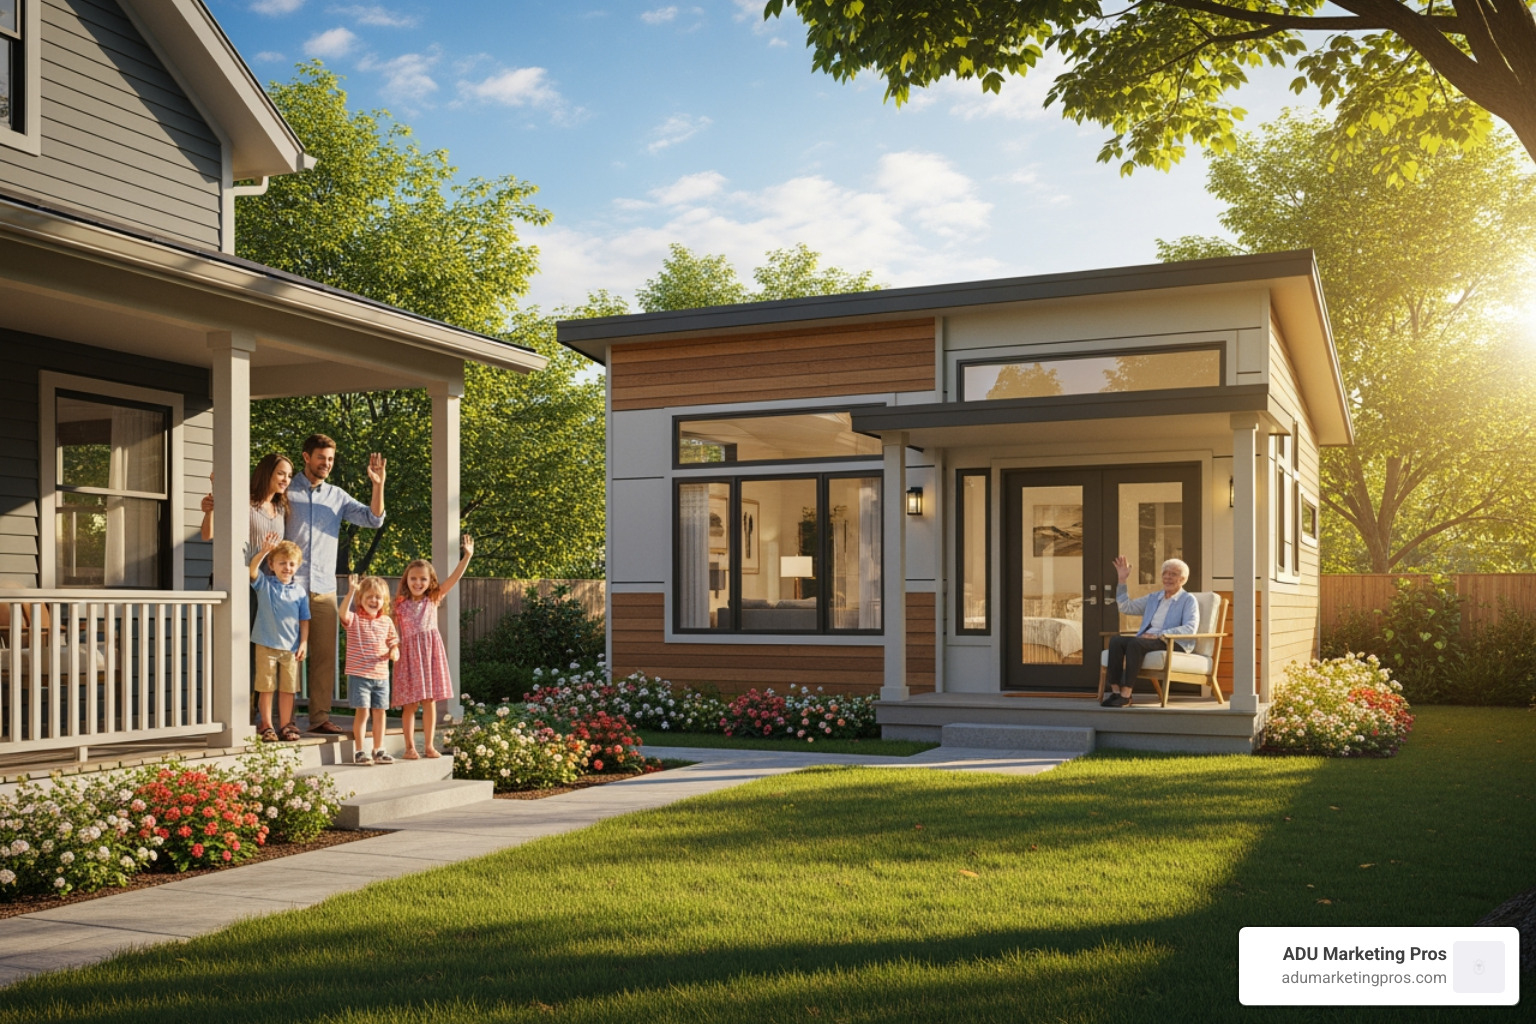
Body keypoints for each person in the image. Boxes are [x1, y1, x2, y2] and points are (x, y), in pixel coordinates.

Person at [286, 434, 386, 734]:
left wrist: (378, 485)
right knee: (286, 654)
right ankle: (284, 719)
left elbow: (373, 519)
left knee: (324, 657)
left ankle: (319, 717)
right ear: (306, 457)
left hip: (323, 588)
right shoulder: (286, 490)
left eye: (330, 459)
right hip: (287, 587)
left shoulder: (337, 496)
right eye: (321, 458)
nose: (326, 464)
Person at [393, 536, 473, 759]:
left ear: (430, 582)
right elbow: (390, 627)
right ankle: (410, 747)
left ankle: (429, 746)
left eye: (423, 579)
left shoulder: (433, 598)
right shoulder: (399, 604)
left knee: (429, 701)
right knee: (409, 704)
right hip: (408, 656)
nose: (418, 583)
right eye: (413, 578)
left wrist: (467, 556)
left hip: (429, 655)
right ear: (406, 580)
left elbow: (454, 579)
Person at [1101, 556, 1199, 708]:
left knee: (1135, 643)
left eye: (1173, 574)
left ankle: (1126, 695)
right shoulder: (1154, 597)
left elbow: (1190, 628)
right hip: (1147, 640)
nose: (1167, 577)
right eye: (1165, 573)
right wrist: (1122, 580)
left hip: (1171, 641)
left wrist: (1159, 634)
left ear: (1183, 579)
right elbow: (1126, 607)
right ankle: (1115, 692)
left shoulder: (1188, 600)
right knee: (1116, 641)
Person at [249, 532, 310, 742]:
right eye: (282, 563)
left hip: (291, 649)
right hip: (266, 645)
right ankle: (266, 725)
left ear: (298, 566)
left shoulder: (300, 592)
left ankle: (286, 725)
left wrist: (303, 642)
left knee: (288, 689)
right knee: (266, 687)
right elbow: (252, 570)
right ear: (272, 564)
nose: (287, 568)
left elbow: (304, 619)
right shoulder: (265, 585)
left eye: (292, 564)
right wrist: (264, 551)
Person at [341, 575, 399, 766]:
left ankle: (378, 749)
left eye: (378, 597)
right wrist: (351, 591)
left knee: (380, 712)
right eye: (369, 597)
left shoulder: (386, 621)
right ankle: (359, 751)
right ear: (361, 599)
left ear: (384, 600)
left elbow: (393, 642)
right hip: (360, 676)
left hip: (381, 677)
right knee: (363, 712)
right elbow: (342, 613)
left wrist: (394, 651)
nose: (374, 600)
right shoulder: (355, 619)